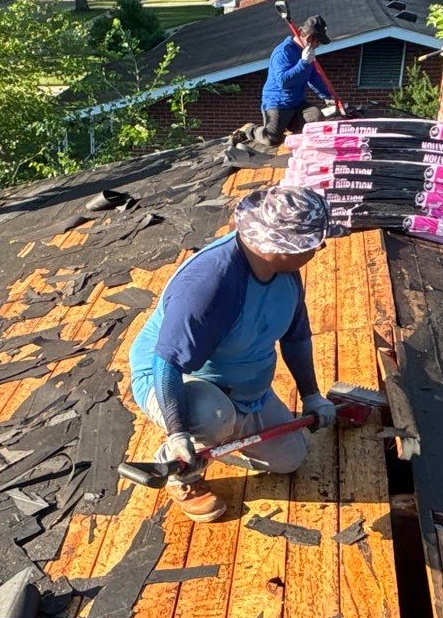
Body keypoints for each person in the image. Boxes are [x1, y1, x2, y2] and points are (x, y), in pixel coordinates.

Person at [127, 185, 337, 523]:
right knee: (210, 416)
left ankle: (221, 436)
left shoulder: (286, 274)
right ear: (282, 247)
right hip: (172, 379)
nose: (320, 248)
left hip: (244, 390)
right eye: (315, 243)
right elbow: (167, 362)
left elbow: (296, 338)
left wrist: (312, 395)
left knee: (290, 459)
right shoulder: (209, 283)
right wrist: (178, 432)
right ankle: (179, 471)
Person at [258, 15, 334, 144]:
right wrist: (303, 63)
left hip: (297, 103)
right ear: (309, 38)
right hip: (278, 103)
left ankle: (294, 127)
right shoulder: (283, 52)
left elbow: (313, 77)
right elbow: (284, 82)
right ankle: (250, 131)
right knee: (272, 138)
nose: (318, 45)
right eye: (318, 42)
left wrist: (327, 96)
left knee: (316, 117)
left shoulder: (307, 53)